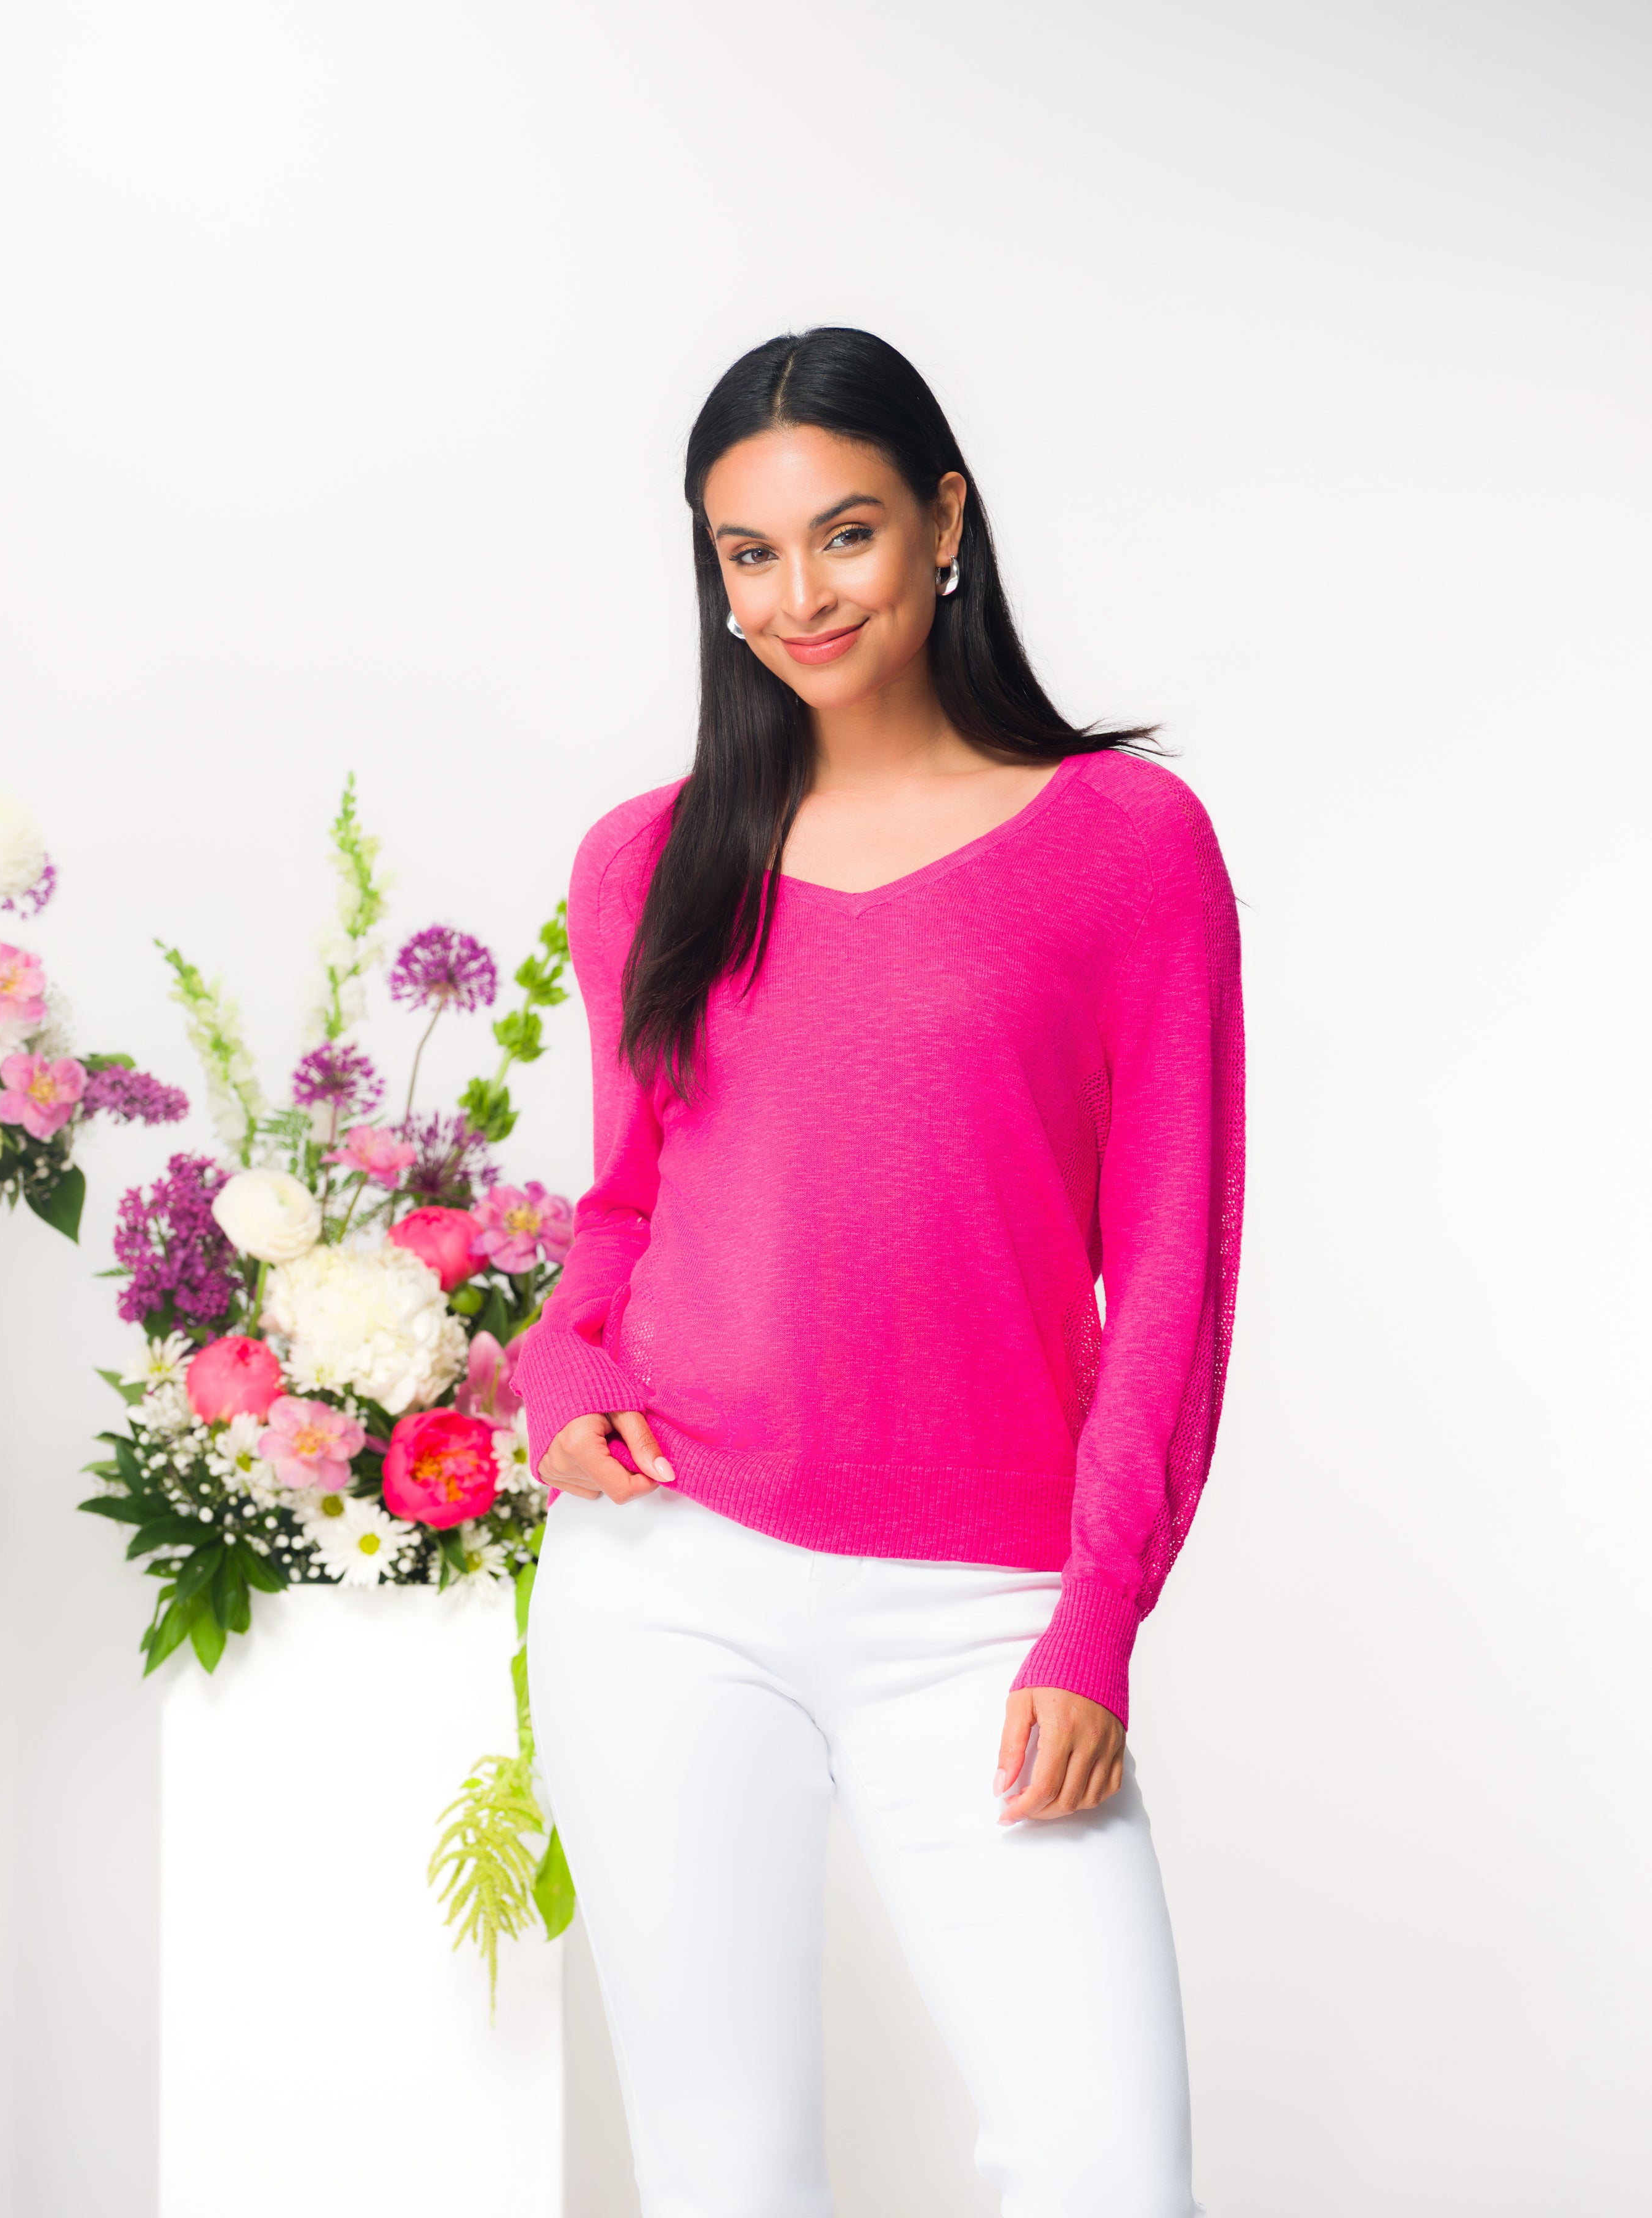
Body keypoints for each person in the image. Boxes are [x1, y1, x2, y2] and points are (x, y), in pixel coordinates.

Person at [516, 326, 1243, 2218]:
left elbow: (1171, 1269)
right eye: (746, 553)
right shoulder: (648, 860)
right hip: (668, 1581)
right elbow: (624, 1209)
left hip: (982, 1612)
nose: (798, 595)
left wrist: (1095, 1622)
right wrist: (559, 1376)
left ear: (942, 520)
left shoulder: (1127, 845)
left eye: (842, 533)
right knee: (725, 2174)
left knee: (1105, 2169)